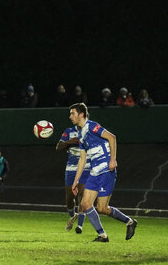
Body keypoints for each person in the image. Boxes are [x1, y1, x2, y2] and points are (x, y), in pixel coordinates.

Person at [69, 103, 138, 241]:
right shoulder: (81, 134)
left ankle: (129, 222)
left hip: (106, 170)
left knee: (102, 208)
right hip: (94, 172)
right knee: (85, 204)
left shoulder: (92, 126)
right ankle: (102, 235)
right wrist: (76, 181)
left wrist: (113, 160)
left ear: (81, 114)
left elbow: (112, 137)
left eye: (72, 113)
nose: (70, 116)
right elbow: (82, 158)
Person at [56, 124, 89, 231]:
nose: (72, 117)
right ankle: (72, 215)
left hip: (86, 167)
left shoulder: (90, 130)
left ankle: (80, 225)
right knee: (70, 196)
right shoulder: (69, 131)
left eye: (73, 115)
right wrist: (70, 142)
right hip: (71, 168)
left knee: (82, 194)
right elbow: (58, 147)